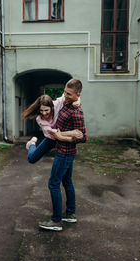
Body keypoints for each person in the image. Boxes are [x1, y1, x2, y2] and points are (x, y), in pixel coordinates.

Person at [38, 78, 87, 231]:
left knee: (53, 183)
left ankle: (56, 221)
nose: (65, 96)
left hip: (65, 153)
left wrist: (61, 137)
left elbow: (83, 137)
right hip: (63, 151)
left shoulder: (77, 112)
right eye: (65, 92)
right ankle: (70, 214)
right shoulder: (67, 102)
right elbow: (59, 101)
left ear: (78, 94)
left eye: (69, 94)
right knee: (67, 182)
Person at [22, 94, 82, 164]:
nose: (43, 113)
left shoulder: (57, 104)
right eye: (41, 110)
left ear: (52, 107)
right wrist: (71, 133)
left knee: (67, 159)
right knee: (32, 159)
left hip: (62, 136)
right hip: (51, 138)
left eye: (46, 110)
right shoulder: (39, 119)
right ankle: (31, 144)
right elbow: (52, 133)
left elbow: (72, 93)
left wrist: (78, 100)